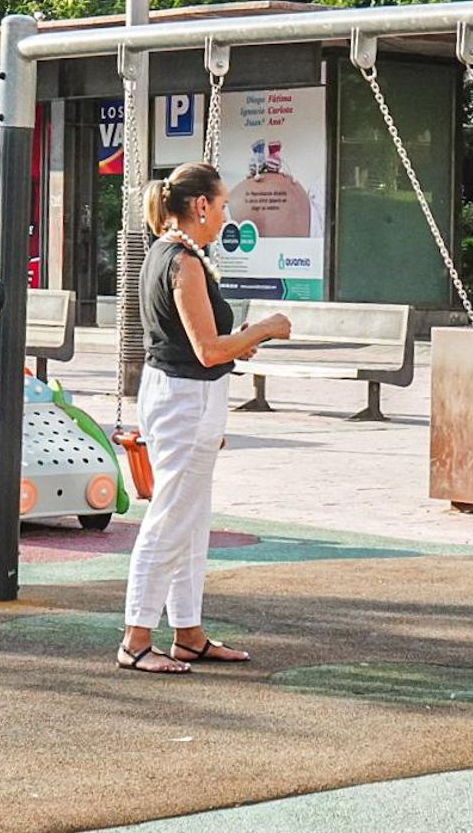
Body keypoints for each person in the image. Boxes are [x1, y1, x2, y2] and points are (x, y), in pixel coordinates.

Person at [117, 162, 291, 674]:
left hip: (183, 394)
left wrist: (240, 343)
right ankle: (135, 637)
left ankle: (187, 632)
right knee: (172, 516)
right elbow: (209, 349)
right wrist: (263, 329)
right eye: (221, 206)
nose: (224, 216)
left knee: (191, 518)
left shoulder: (167, 253)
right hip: (186, 399)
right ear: (199, 207)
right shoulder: (184, 262)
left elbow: (201, 345)